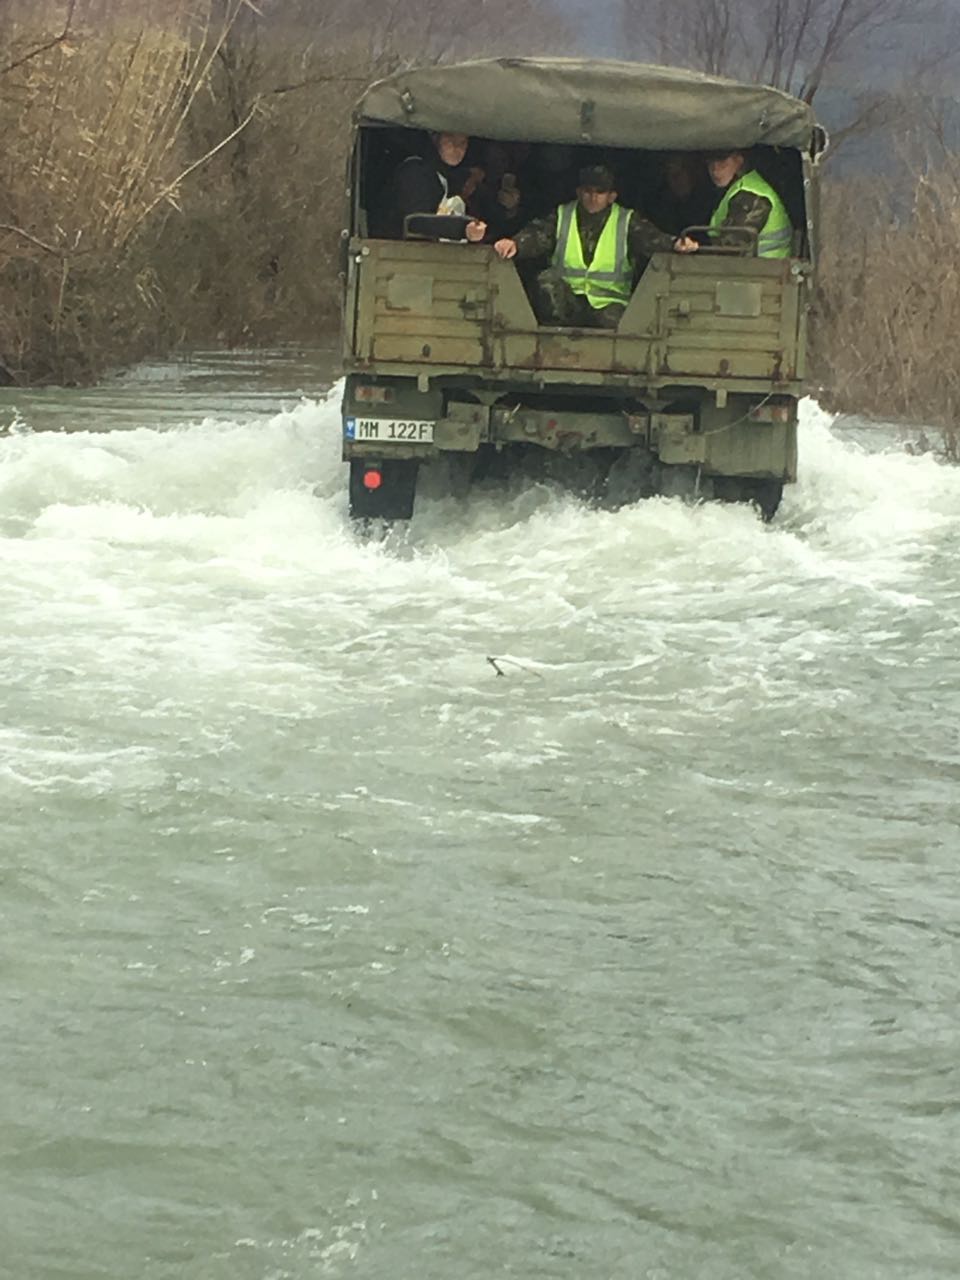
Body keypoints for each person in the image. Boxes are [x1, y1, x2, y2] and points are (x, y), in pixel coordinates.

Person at [493, 163, 698, 328]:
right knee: (546, 281)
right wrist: (514, 244)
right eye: (588, 191)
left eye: (600, 192)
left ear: (611, 196)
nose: (593, 197)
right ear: (579, 192)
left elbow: (652, 240)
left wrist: (675, 244)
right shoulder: (562, 214)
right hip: (569, 302)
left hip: (610, 305)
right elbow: (538, 234)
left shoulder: (626, 220)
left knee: (618, 322)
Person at [392, 132, 487, 242]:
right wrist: (464, 228)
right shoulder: (414, 170)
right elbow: (415, 222)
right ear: (435, 137)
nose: (457, 147)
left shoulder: (446, 176)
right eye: (450, 139)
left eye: (463, 142)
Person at [705, 149, 792, 258]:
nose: (715, 171)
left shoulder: (751, 195)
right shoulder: (736, 189)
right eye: (710, 164)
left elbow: (733, 247)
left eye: (722, 164)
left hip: (764, 269)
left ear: (739, 161)